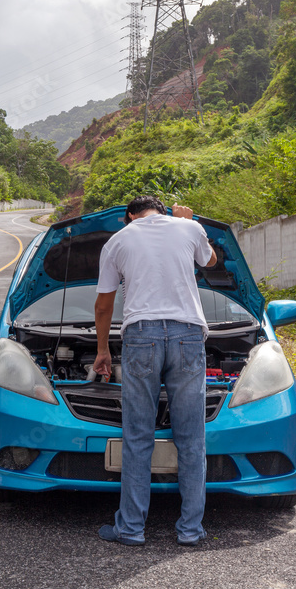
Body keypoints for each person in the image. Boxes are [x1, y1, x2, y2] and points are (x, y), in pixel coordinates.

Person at [91, 195, 217, 547]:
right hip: (188, 335)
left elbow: (104, 304)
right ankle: (190, 530)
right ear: (163, 212)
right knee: (191, 438)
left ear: (129, 216)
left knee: (138, 436)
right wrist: (192, 221)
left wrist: (103, 350)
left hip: (141, 335)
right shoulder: (189, 227)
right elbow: (210, 260)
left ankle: (131, 528)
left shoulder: (118, 240)